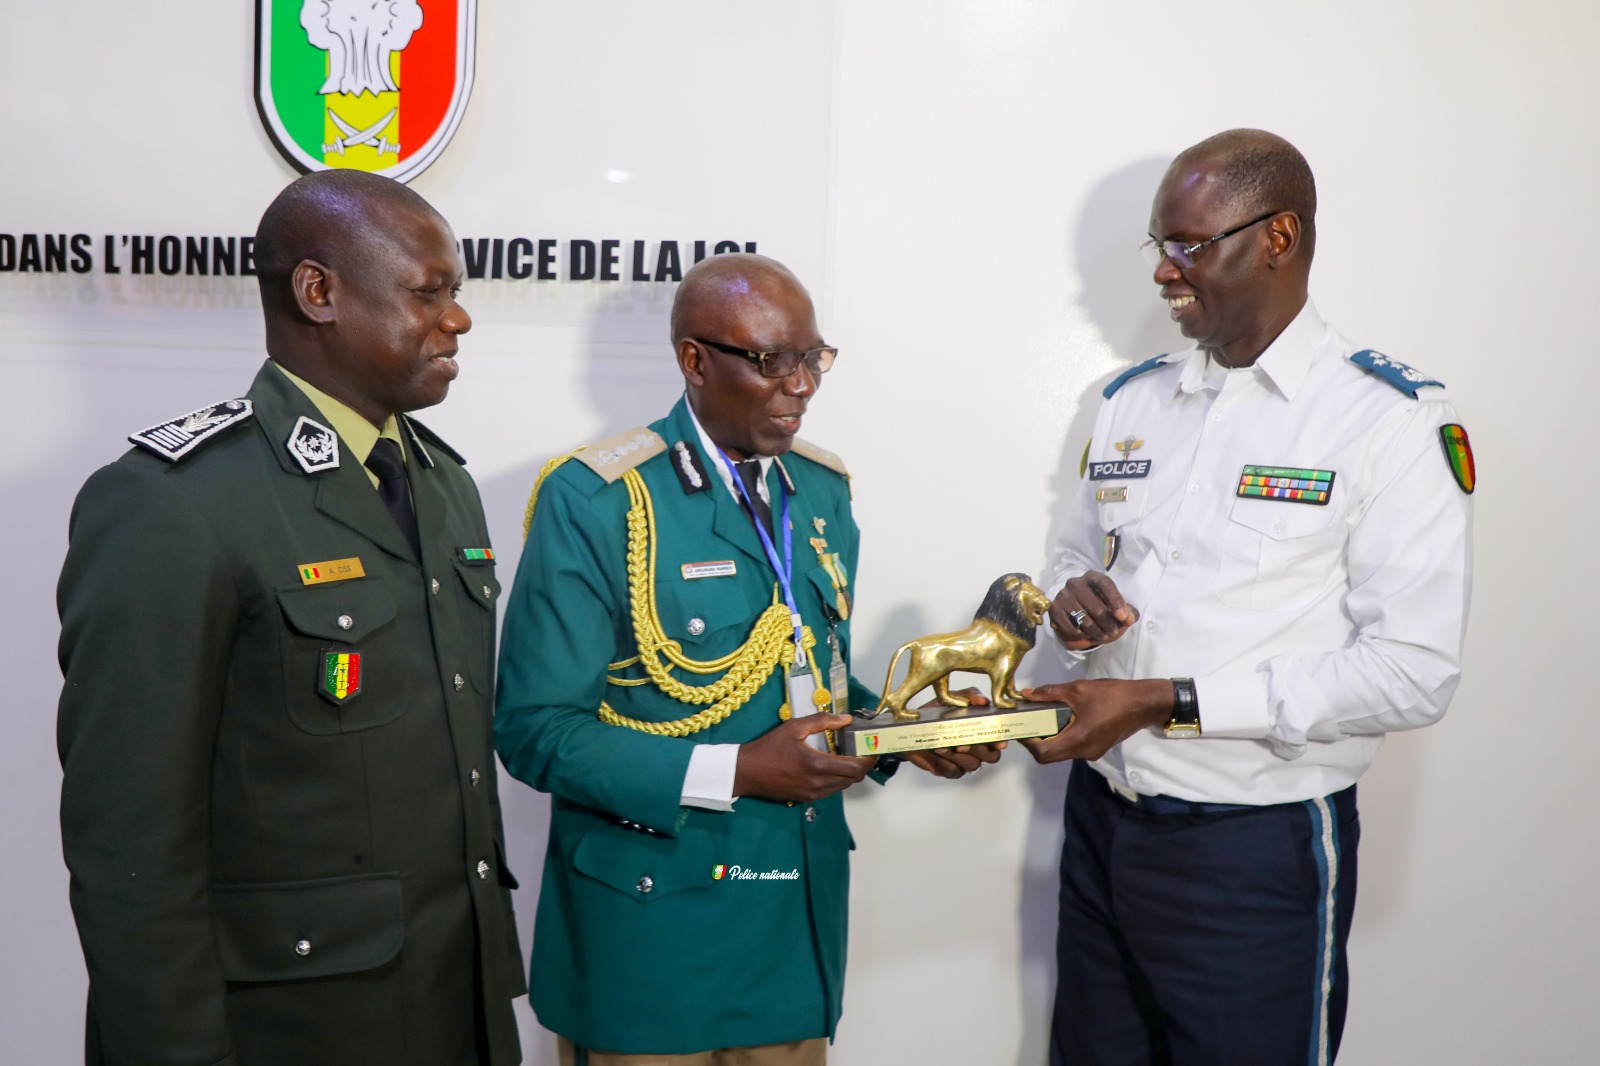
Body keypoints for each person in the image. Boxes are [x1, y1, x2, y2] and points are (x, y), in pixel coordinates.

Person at [1023, 129, 1474, 1064]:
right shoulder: (1128, 402)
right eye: (1162, 246)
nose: (1165, 273)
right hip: (1103, 825)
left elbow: (1412, 674)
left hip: (1250, 853)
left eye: (1191, 245)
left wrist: (1166, 701)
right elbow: (1071, 556)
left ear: (1279, 237)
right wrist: (1069, 609)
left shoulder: (1386, 420)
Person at [55, 170, 525, 1066]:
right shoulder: (176, 503)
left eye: (456, 294)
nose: (458, 319)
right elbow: (131, 851)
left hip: (455, 1005)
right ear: (319, 293)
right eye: (430, 293)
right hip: (291, 1028)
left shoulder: (443, 485)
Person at [495, 253, 992, 1066]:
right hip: (650, 937)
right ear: (695, 360)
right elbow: (535, 730)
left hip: (789, 921)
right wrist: (734, 771)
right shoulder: (600, 498)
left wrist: (908, 731)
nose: (801, 385)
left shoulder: (821, 490)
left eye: (813, 358)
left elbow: (809, 672)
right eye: (771, 362)